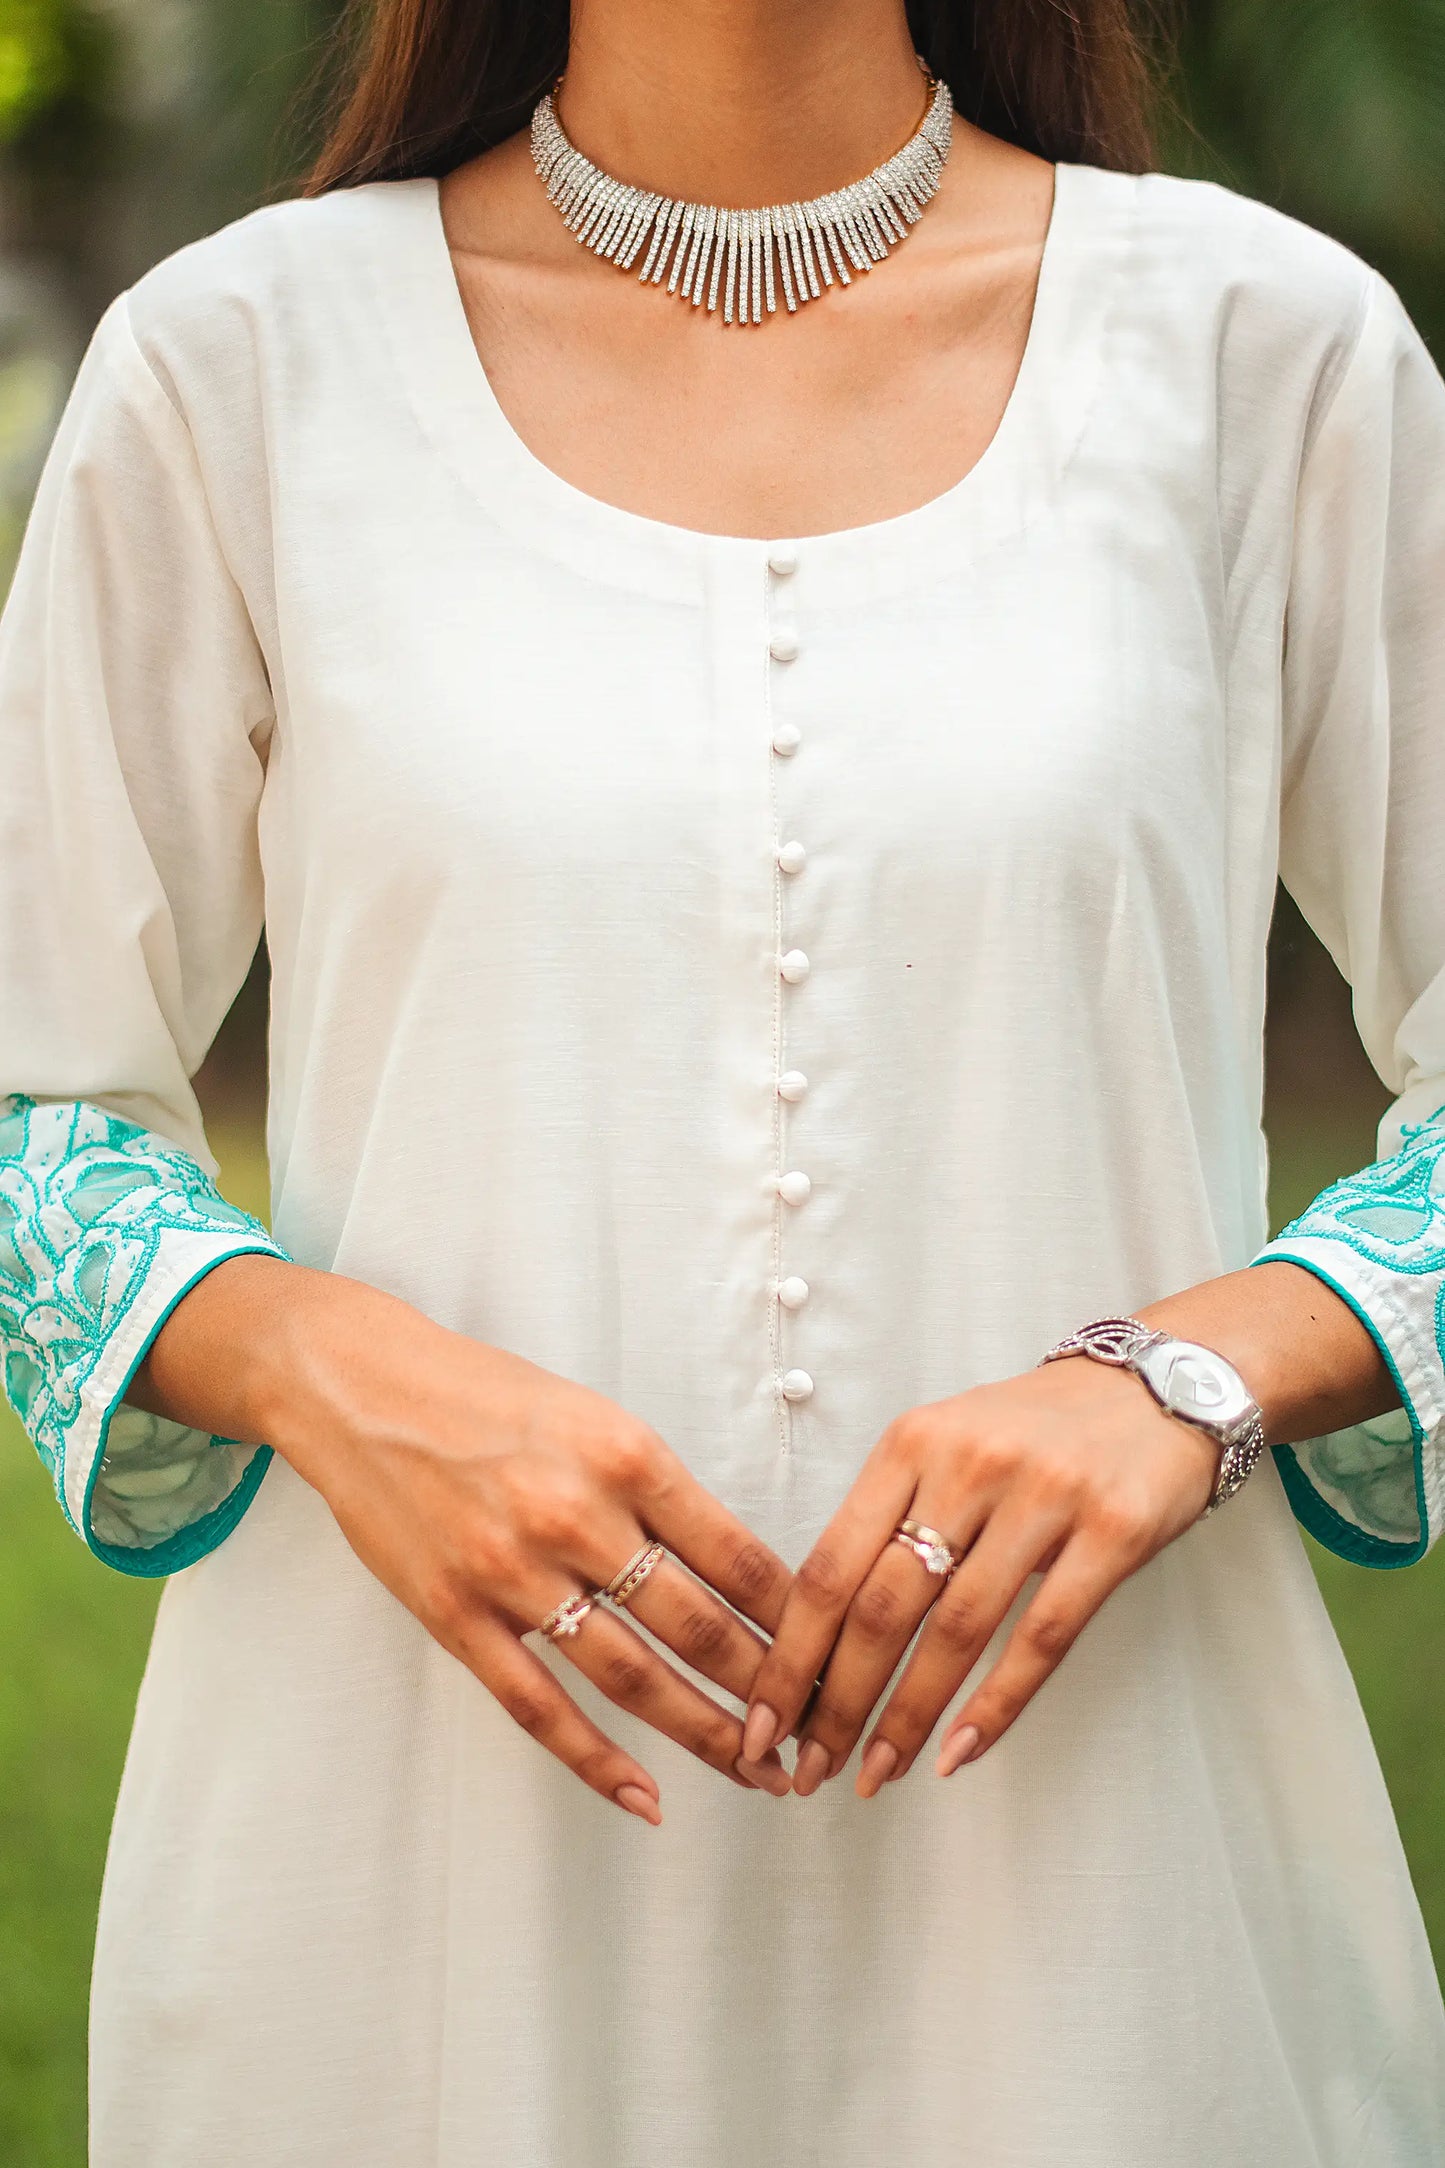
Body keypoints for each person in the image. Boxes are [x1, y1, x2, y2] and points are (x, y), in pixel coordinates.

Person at [2, 0, 1443, 2160]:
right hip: (398, 1900)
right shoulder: (234, 371)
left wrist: (1198, 1374)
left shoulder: (1269, 356)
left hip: (1118, 1889)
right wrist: (318, 1360)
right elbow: (32, 1097)